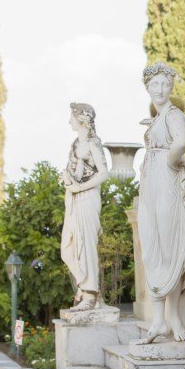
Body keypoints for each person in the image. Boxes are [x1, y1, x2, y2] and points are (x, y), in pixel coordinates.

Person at [133, 62, 185, 344]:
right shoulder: (157, 118)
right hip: (150, 186)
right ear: (147, 88)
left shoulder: (174, 115)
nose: (160, 90)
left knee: (170, 249)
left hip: (167, 184)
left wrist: (170, 165)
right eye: (154, 85)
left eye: (164, 85)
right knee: (152, 250)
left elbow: (181, 143)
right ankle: (158, 320)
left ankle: (172, 316)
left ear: (171, 87)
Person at [61, 102, 109, 311]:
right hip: (73, 198)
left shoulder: (93, 142)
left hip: (88, 197)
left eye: (72, 116)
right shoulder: (75, 143)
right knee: (67, 248)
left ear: (82, 119)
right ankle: (84, 284)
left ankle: (90, 294)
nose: (69, 120)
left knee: (87, 246)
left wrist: (80, 187)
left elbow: (104, 173)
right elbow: (71, 169)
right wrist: (65, 179)